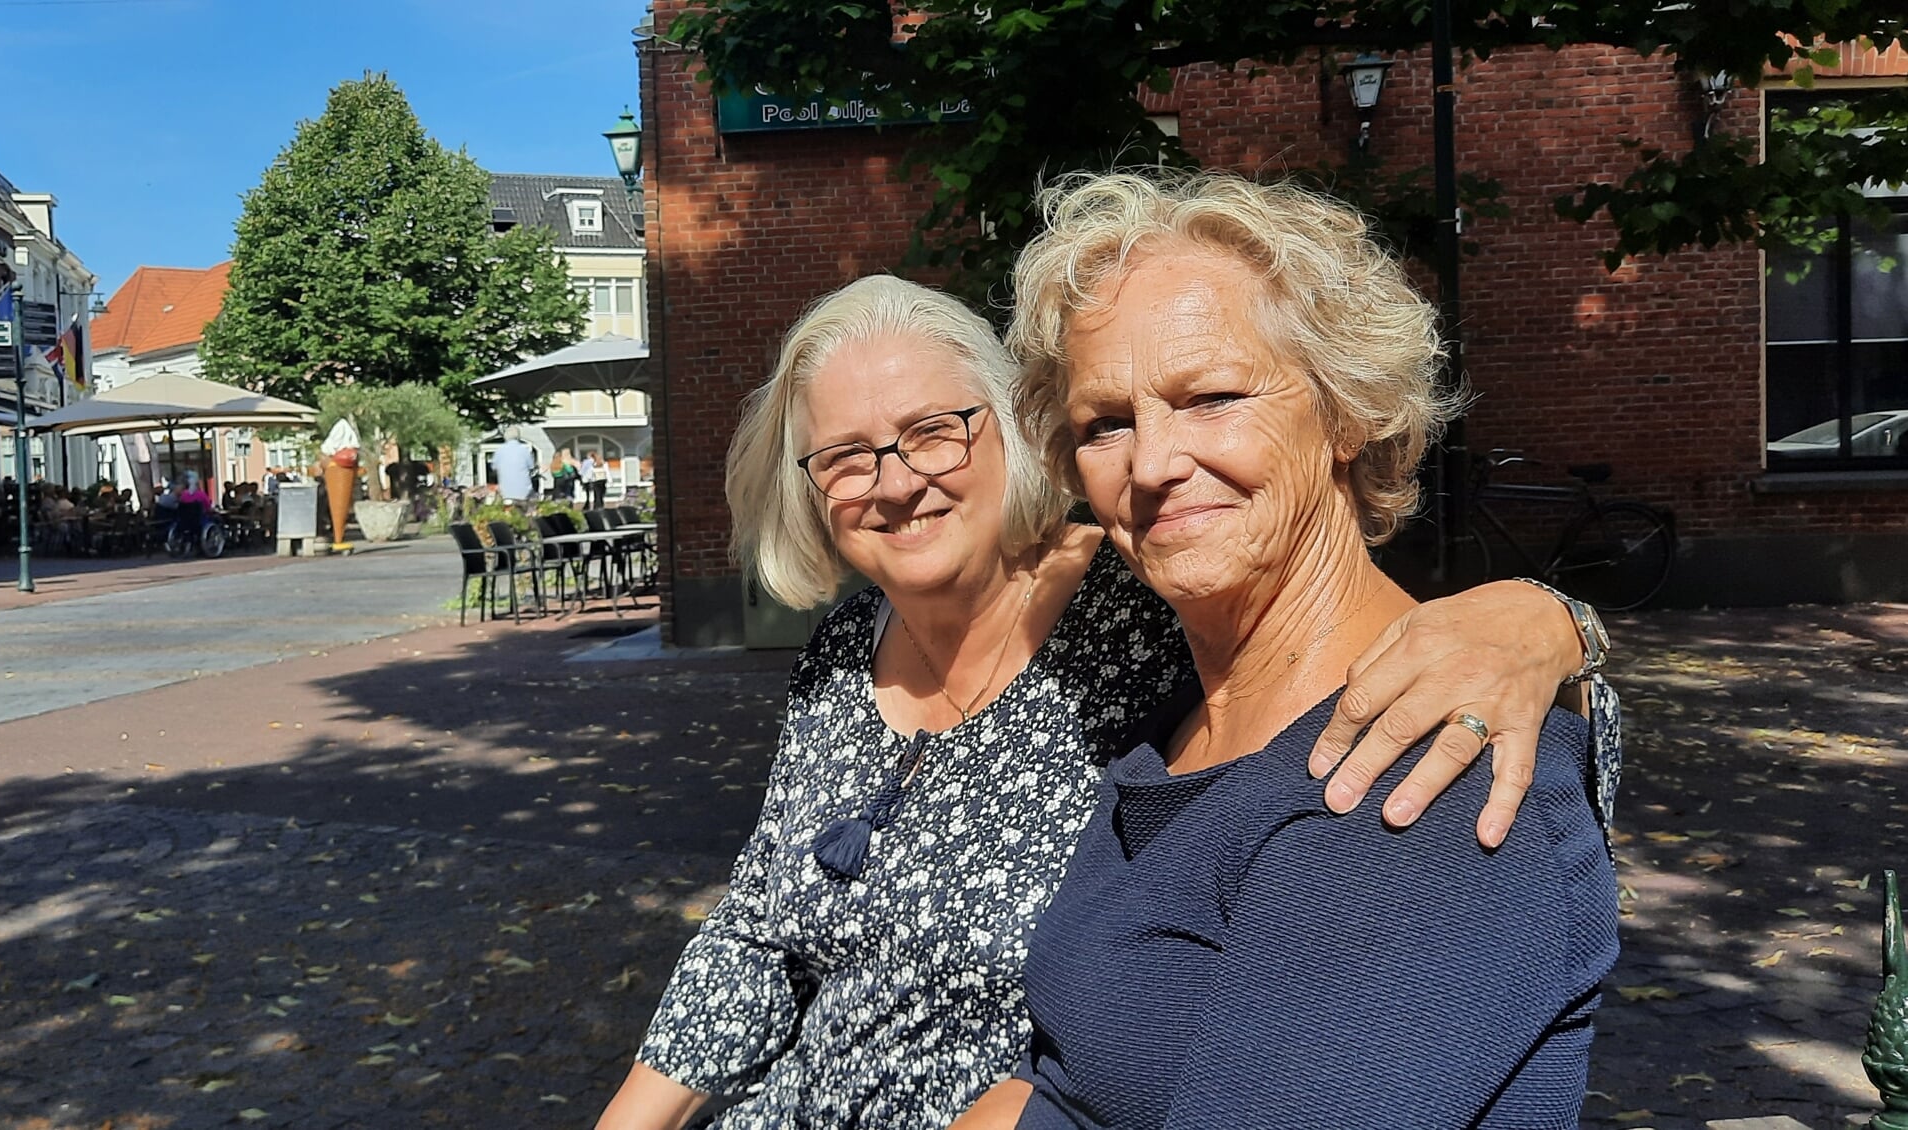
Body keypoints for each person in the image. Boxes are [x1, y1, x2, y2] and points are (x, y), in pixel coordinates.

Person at [593, 276, 1615, 1130]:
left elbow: (1419, 703)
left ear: (1014, 436)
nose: (893, 482)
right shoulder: (837, 654)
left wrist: (1546, 621)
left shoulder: (1138, 599)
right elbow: (759, 929)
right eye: (846, 456)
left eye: (932, 433)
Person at [967, 171, 1618, 1128]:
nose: (1150, 465)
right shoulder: (1173, 729)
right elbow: (1066, 1078)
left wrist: (1555, 625)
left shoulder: (1423, 774)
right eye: (1105, 424)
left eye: (1213, 397)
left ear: (1347, 413)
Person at [490, 429, 537, 503]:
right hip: (524, 491)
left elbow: (494, 468)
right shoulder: (524, 450)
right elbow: (531, 467)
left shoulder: (499, 450)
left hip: (505, 492)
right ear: (518, 436)